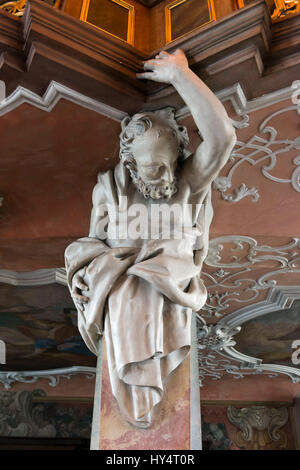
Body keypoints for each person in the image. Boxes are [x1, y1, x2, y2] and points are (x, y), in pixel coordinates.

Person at [65, 49, 236, 428]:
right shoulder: (109, 190)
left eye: (169, 164)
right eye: (152, 167)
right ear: (131, 164)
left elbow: (222, 138)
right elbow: (92, 248)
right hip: (123, 302)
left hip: (168, 296)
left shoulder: (187, 184)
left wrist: (181, 76)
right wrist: (84, 272)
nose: (163, 175)